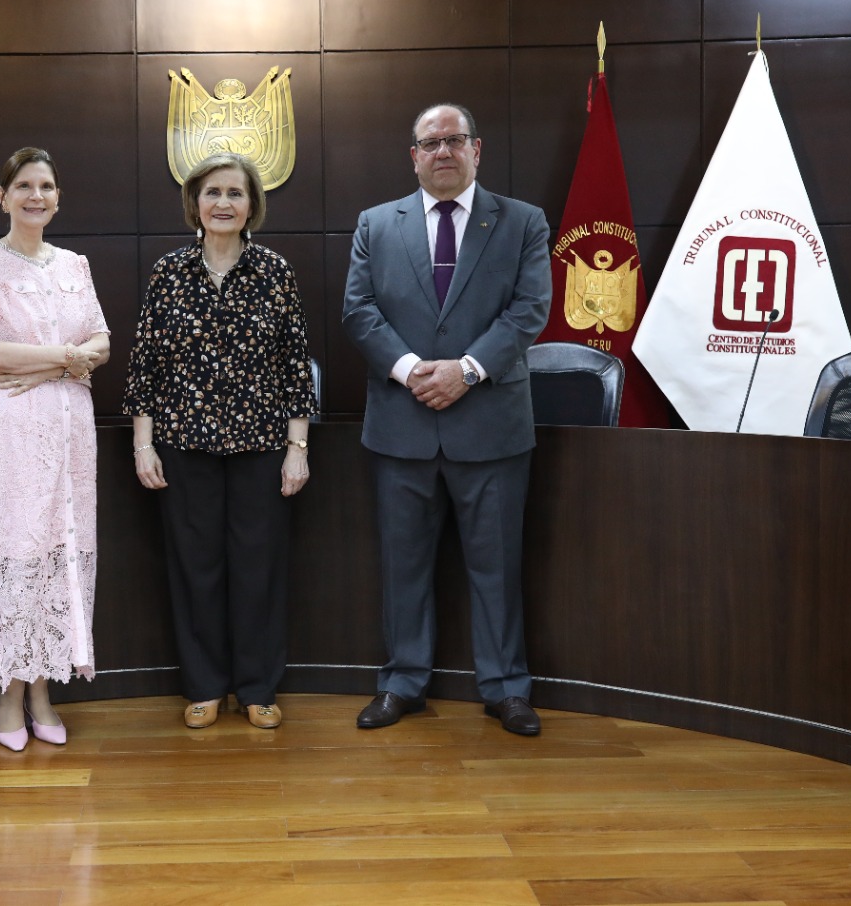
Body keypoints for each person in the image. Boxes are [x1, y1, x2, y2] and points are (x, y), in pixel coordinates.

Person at [342, 103, 552, 736]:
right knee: (403, 566)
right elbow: (358, 311)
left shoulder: (522, 223)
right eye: (430, 143)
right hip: (402, 428)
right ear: (413, 156)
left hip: (490, 427)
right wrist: (412, 371)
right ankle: (402, 682)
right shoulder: (376, 225)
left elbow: (529, 310)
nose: (443, 151)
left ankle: (506, 687)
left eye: (454, 140)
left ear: (476, 150)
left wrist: (466, 370)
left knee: (497, 565)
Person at [124, 152, 316, 731]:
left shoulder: (276, 271)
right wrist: (143, 444)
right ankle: (205, 685)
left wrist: (297, 448)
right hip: (183, 446)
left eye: (236, 193)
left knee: (258, 568)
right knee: (195, 567)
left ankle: (257, 687)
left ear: (253, 205)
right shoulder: (168, 272)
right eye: (213, 193)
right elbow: (144, 367)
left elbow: (294, 368)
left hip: (262, 447)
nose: (224, 203)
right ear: (195, 205)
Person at [0, 147, 111, 752]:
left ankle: (45, 688)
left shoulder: (75, 264)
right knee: (15, 552)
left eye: (45, 185)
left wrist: (59, 364)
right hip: (10, 427)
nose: (35, 195)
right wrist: (66, 361)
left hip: (70, 424)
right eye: (23, 185)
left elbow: (100, 339)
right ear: (3, 196)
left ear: (57, 196)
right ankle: (9, 695)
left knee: (60, 550)